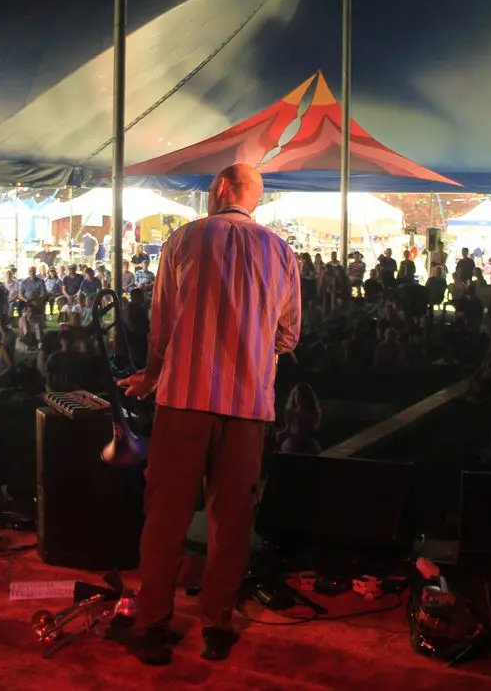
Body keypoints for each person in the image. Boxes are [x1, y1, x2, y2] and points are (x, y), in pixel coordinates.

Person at [118, 163, 301, 665]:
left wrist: (152, 374)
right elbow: (288, 335)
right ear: (253, 198)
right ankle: (216, 625)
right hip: (247, 407)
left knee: (166, 517)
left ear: (220, 188)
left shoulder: (184, 241)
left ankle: (153, 622)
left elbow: (162, 328)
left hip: (183, 401)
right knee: (232, 521)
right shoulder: (281, 251)